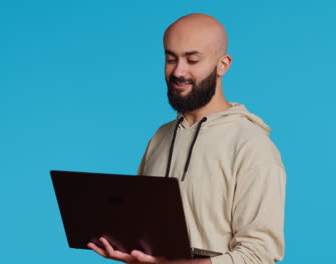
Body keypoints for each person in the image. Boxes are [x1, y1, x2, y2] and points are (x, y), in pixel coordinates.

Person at [88, 13, 286, 264]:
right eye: (171, 59)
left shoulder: (252, 147)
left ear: (223, 65)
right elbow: (142, 227)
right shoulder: (161, 136)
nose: (178, 71)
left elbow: (260, 254)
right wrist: (127, 245)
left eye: (192, 60)